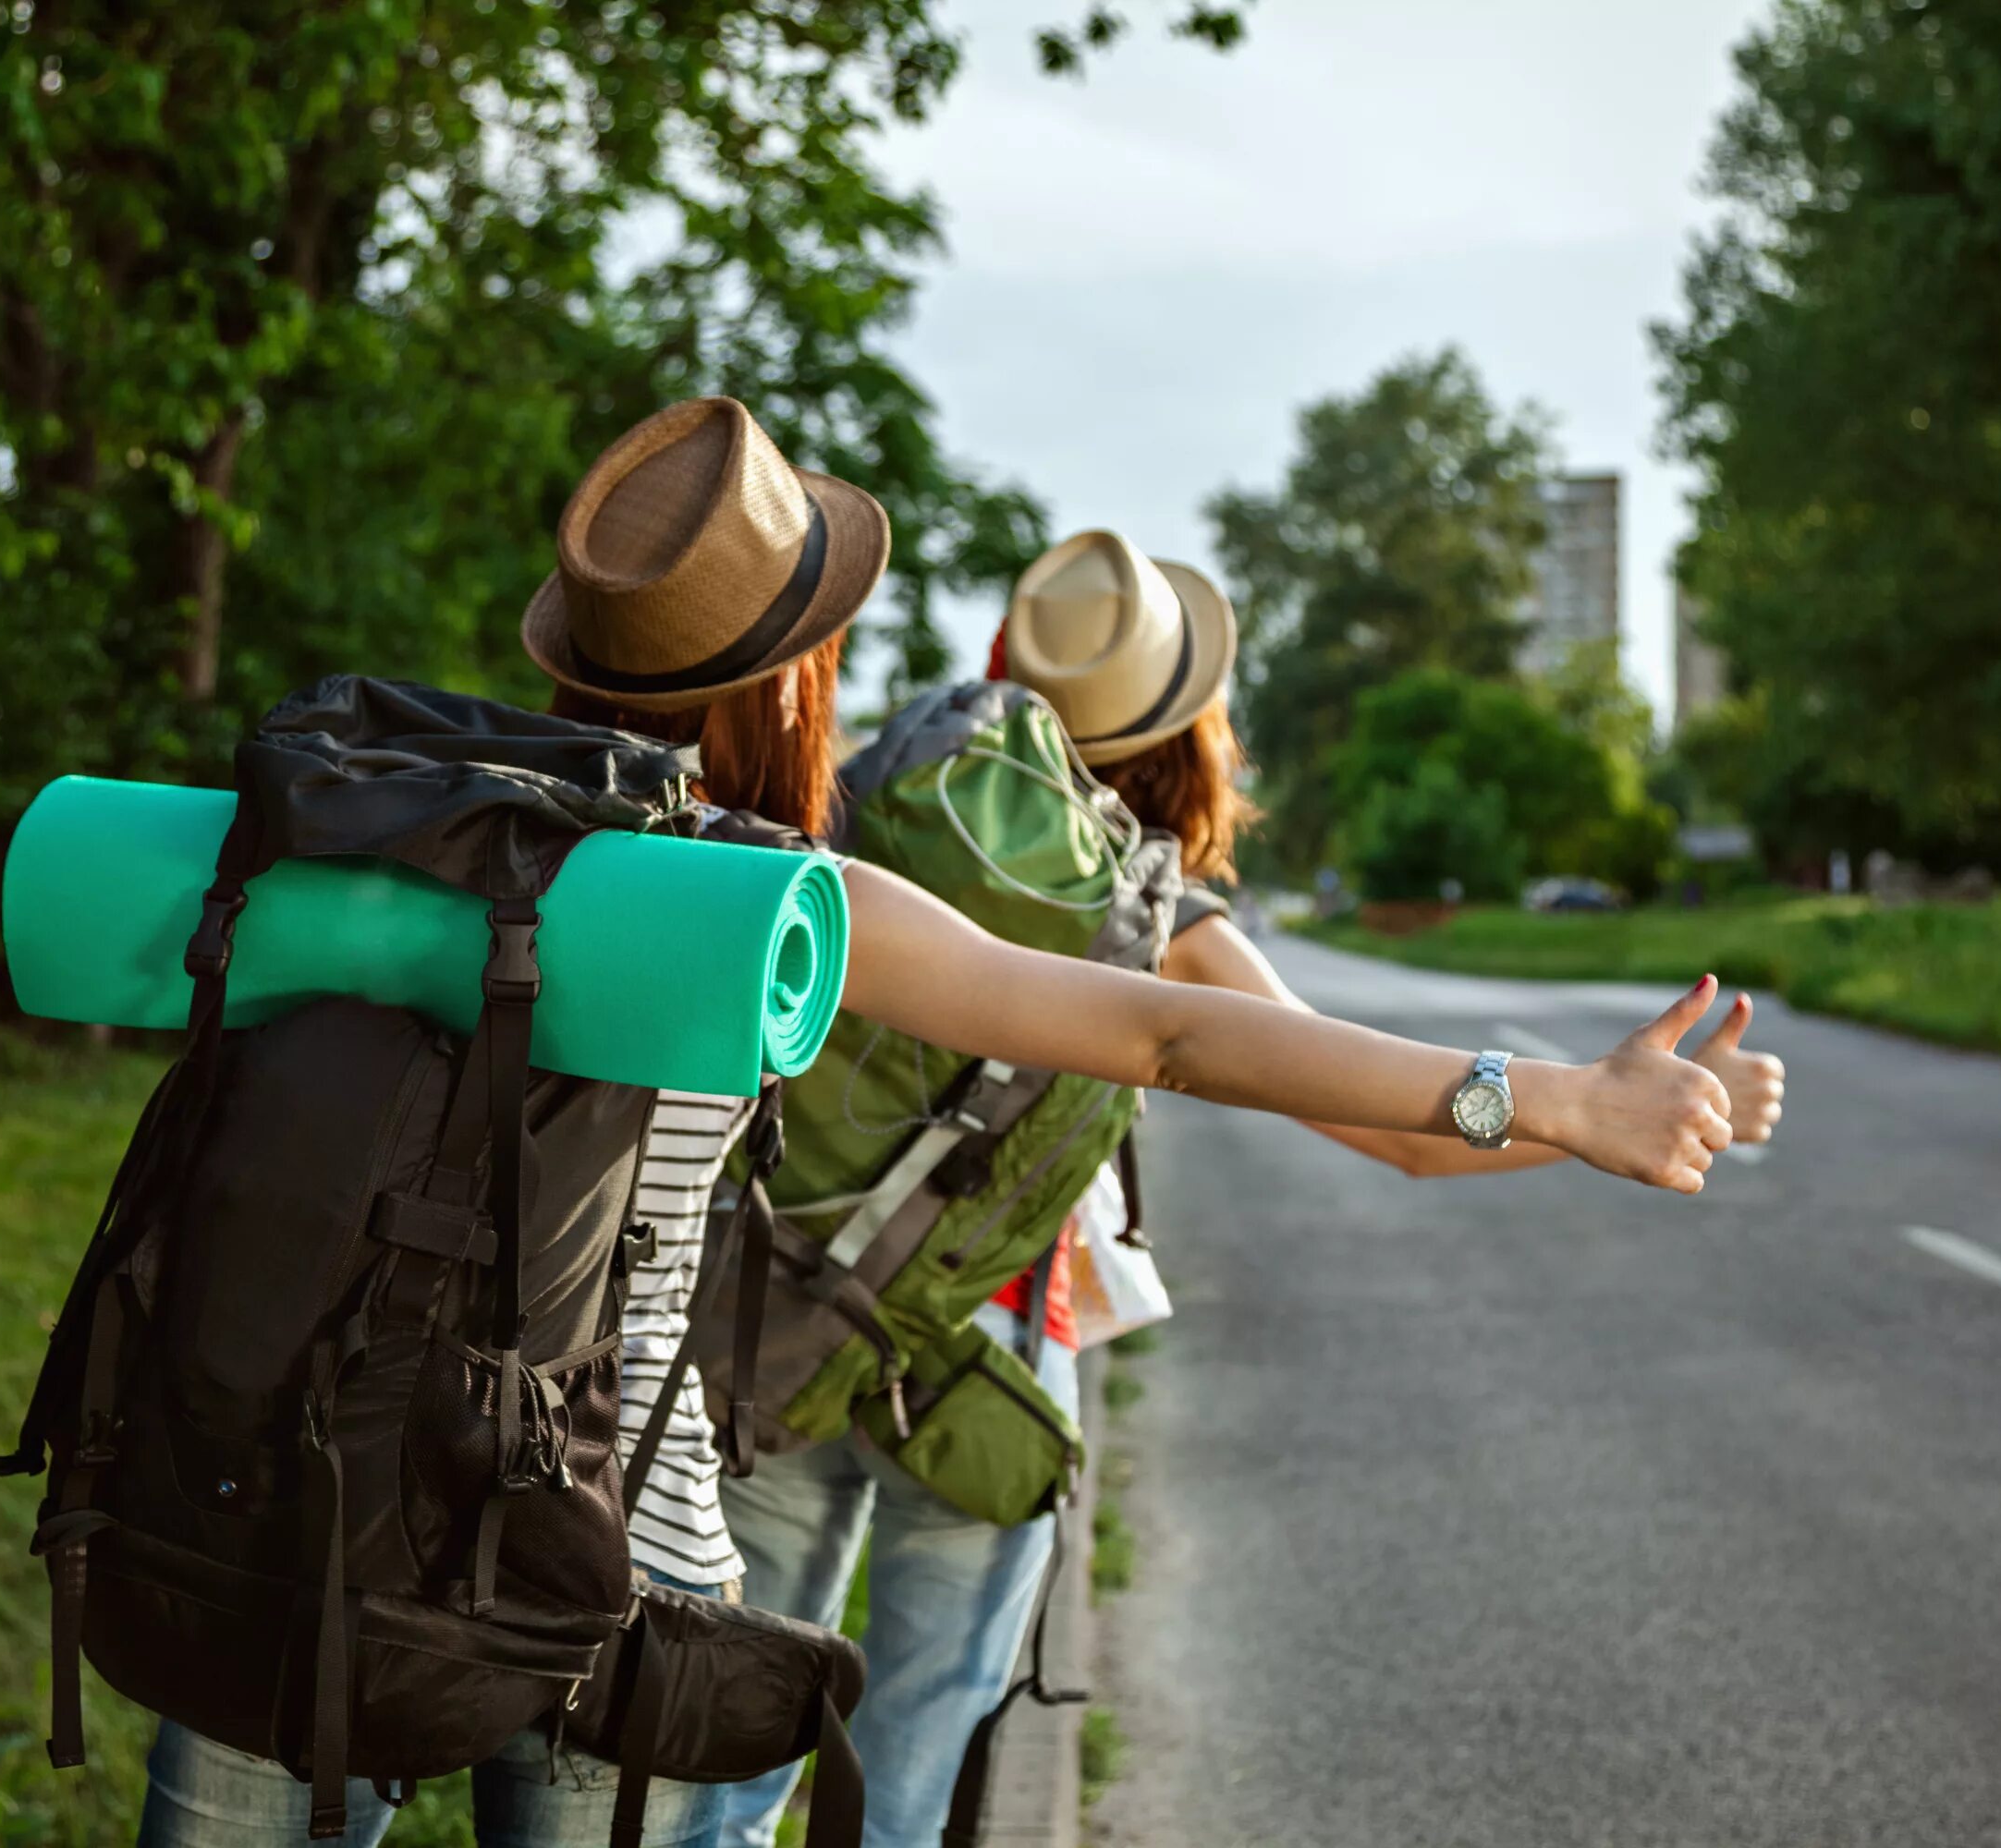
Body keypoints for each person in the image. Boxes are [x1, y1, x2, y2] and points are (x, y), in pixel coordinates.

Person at [135, 400, 1739, 1848]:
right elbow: (1172, 1036)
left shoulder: (377, 825)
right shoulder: (770, 892)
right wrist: (1561, 1099)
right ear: (796, 670)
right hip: (609, 1552)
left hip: (286, 1497)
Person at [710, 527, 1788, 1848]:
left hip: (784, 1309)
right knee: (915, 1756)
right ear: (1186, 733)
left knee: (733, 1749)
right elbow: (1397, 1131)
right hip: (988, 1350)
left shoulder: (851, 804)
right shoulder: (1159, 911)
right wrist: (1599, 1114)